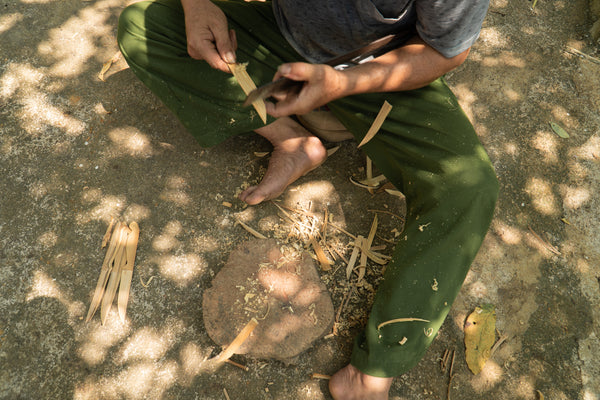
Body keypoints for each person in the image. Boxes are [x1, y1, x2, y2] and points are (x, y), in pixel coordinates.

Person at [117, 0, 499, 398]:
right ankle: (292, 138)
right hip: (281, 40)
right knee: (142, 25)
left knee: (469, 189)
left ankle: (372, 372)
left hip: (378, 67)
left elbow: (444, 51)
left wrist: (344, 84)